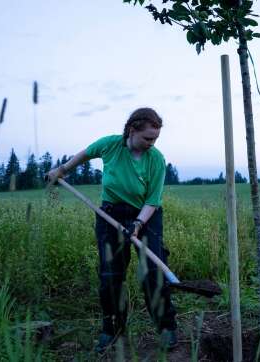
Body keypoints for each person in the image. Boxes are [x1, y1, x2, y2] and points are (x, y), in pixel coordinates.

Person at [46, 107, 177, 353]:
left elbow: (153, 199)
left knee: (152, 271)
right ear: (132, 130)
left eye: (156, 139)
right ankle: (112, 329)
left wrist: (137, 225)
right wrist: (62, 171)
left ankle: (166, 327)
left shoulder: (156, 159)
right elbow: (84, 155)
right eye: (148, 138)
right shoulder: (110, 145)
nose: (152, 143)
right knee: (110, 276)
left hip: (146, 216)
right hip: (110, 214)